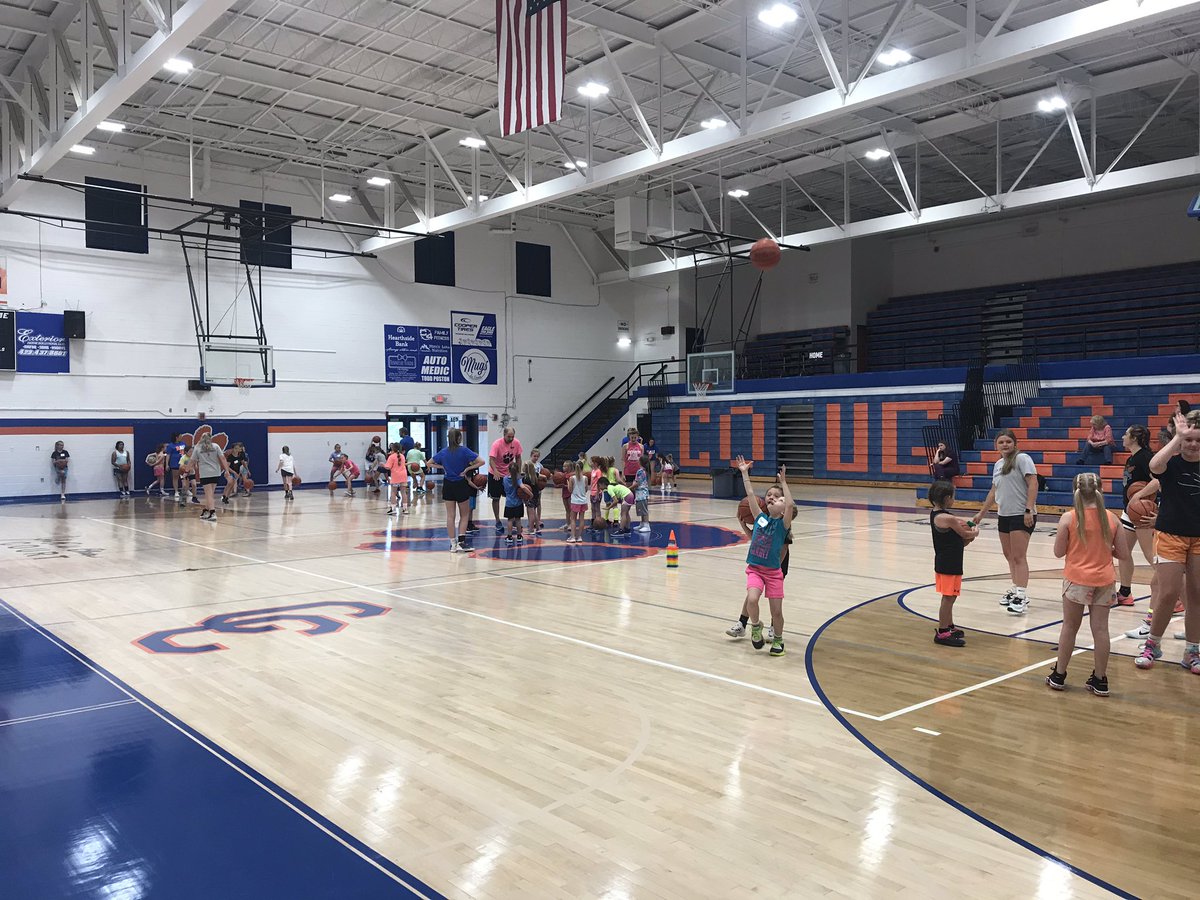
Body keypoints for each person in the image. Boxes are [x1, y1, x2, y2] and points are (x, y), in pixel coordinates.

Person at [1046, 472, 1129, 695]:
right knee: (1101, 630)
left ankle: (1059, 675)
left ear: (1075, 491)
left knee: (1070, 628)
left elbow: (1058, 552)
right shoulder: (1112, 518)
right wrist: (1104, 549)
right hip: (1104, 580)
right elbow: (1123, 553)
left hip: (1077, 579)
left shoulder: (1069, 518)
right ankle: (1100, 679)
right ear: (1100, 490)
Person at [1134, 410, 1200, 671]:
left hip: (1198, 538)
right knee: (1168, 593)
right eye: (1188, 440)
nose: (1193, 444)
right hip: (1171, 534)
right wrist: (1176, 437)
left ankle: (1192, 651)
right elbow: (1154, 466)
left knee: (1196, 595)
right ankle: (1153, 645)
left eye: (1197, 440)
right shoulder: (1171, 464)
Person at [732, 456, 795, 657]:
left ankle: (778, 640)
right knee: (752, 599)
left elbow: (791, 505)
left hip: (774, 573)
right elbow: (750, 494)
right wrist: (744, 473)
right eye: (773, 498)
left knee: (777, 612)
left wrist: (784, 483)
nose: (775, 500)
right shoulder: (760, 519)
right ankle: (755, 626)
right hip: (756, 570)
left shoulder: (782, 525)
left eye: (779, 500)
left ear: (784, 509)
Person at [971, 429, 1038, 614]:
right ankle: (1016, 588)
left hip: (1020, 514)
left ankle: (1021, 595)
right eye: (1001, 442)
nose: (1005, 445)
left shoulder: (1022, 459)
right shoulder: (998, 464)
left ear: (1015, 443)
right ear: (996, 446)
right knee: (1009, 555)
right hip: (1004, 515)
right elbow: (994, 492)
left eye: (1008, 441)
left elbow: (1033, 483)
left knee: (1019, 556)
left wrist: (1028, 509)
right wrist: (981, 514)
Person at [929, 480, 978, 647]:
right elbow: (965, 534)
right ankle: (942, 632)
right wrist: (974, 532)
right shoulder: (947, 518)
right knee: (948, 598)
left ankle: (949, 626)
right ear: (948, 498)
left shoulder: (937, 514)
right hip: (949, 563)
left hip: (947, 560)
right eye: (953, 497)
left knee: (951, 596)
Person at [1116, 425, 1155, 606]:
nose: (1123, 436)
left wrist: (1139, 495)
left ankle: (1177, 594)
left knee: (1150, 555)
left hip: (1143, 512)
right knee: (1122, 553)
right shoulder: (1132, 458)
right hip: (1129, 511)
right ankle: (1125, 592)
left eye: (1126, 434)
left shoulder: (1146, 458)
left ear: (1134, 438)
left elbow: (1158, 480)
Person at [429, 428, 485, 552]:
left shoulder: (443, 452)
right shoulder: (464, 450)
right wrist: (466, 470)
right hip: (461, 484)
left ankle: (452, 544)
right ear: (459, 438)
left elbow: (429, 463)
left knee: (450, 516)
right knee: (464, 515)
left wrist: (442, 466)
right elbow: (482, 461)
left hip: (448, 484)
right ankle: (461, 542)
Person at [488, 427, 523, 531]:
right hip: (496, 473)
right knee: (496, 498)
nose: (511, 438)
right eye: (509, 437)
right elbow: (491, 459)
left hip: (509, 474)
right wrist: (495, 470)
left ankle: (515, 520)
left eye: (512, 436)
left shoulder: (516, 443)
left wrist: (518, 472)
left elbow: (519, 458)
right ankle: (497, 520)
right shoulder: (497, 444)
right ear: (504, 435)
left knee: (514, 496)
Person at [192, 432, 230, 522]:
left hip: (205, 473)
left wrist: (186, 470)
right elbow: (223, 458)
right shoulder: (216, 446)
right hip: (215, 472)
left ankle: (212, 512)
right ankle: (205, 511)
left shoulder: (198, 448)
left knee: (209, 494)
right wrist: (227, 470)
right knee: (210, 494)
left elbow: (192, 460)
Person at [501, 453, 525, 546]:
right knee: (518, 520)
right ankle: (519, 536)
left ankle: (509, 537)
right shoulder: (519, 479)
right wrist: (529, 494)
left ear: (509, 470)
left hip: (509, 503)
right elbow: (522, 487)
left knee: (510, 520)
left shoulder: (504, 479)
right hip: (518, 503)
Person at [567, 461, 589, 544]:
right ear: (582, 468)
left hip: (575, 501)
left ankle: (572, 537)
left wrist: (568, 484)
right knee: (581, 519)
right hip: (583, 501)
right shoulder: (585, 478)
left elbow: (570, 490)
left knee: (573, 519)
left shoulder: (572, 478)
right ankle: (579, 537)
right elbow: (586, 489)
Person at [384, 442, 408, 516]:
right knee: (403, 492)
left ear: (392, 448)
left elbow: (388, 467)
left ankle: (393, 509)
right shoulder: (402, 456)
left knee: (393, 492)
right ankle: (405, 509)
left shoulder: (391, 456)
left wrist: (383, 465)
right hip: (403, 475)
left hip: (395, 476)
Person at [523, 461, 543, 534]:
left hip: (530, 498)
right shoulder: (536, 475)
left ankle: (531, 530)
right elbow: (544, 477)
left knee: (531, 514)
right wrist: (543, 485)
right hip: (536, 497)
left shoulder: (525, 479)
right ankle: (537, 528)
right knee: (534, 513)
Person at [633, 454, 652, 533]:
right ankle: (642, 523)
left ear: (640, 462)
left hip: (642, 493)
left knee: (644, 510)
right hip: (641, 493)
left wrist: (630, 487)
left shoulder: (640, 471)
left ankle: (646, 525)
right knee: (641, 509)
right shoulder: (644, 471)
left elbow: (637, 483)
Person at [167, 433, 186, 500]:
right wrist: (167, 464)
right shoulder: (170, 446)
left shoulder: (183, 443)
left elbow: (185, 452)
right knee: (175, 477)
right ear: (176, 437)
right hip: (174, 463)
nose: (181, 437)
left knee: (184, 477)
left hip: (183, 463)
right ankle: (176, 491)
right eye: (180, 436)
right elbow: (168, 455)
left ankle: (186, 490)